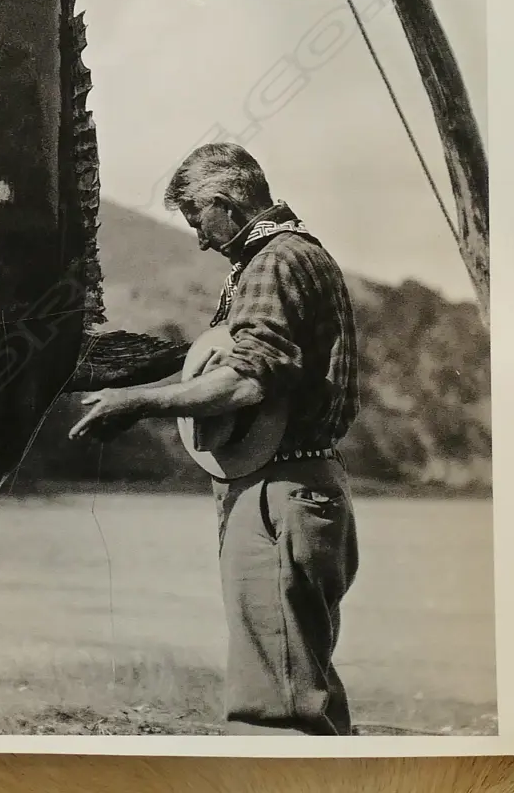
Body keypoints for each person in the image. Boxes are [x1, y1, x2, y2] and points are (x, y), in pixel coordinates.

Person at [69, 142, 361, 736]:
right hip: (300, 488)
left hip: (277, 491)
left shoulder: (273, 262)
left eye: (197, 219)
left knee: (274, 710)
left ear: (225, 202)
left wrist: (138, 402)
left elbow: (248, 380)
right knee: (298, 681)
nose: (200, 239)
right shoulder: (296, 255)